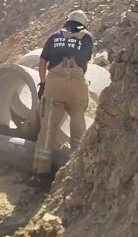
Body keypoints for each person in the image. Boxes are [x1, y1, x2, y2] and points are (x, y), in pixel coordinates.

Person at [30, 10, 93, 189]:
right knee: (78, 125)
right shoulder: (87, 37)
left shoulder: (54, 36)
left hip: (55, 86)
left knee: (48, 128)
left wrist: (43, 83)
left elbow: (42, 61)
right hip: (77, 86)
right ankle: (74, 171)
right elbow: (86, 62)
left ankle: (40, 174)